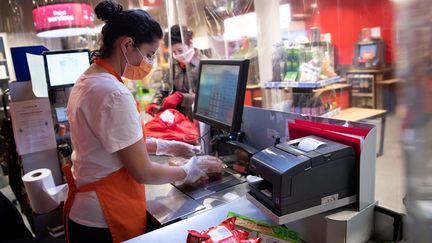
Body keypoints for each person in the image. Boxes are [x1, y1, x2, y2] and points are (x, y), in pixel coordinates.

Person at [64, 1, 220, 242]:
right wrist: (188, 170)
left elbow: (115, 144)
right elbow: (143, 172)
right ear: (126, 44)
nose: (149, 62)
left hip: (86, 213)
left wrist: (168, 146)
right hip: (105, 218)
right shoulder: (113, 92)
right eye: (148, 54)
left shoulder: (88, 80)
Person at [148, 24, 206, 119]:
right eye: (174, 52)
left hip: (198, 122)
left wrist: (182, 97)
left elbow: (206, 99)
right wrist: (156, 102)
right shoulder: (175, 65)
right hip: (178, 121)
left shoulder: (204, 65)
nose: (178, 55)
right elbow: (165, 86)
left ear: (190, 43)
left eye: (180, 50)